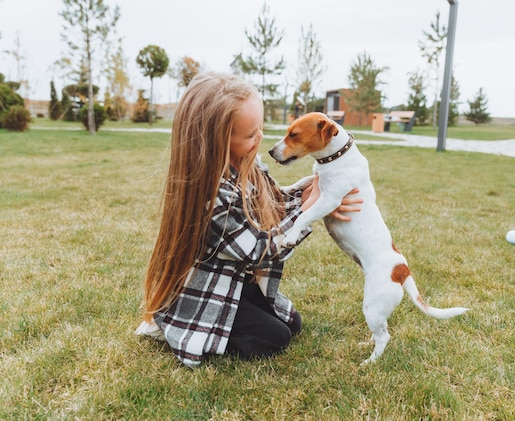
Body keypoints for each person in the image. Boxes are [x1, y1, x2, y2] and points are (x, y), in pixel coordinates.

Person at [135, 72, 361, 368]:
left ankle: (233, 312)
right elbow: (259, 250)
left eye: (260, 128)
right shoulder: (211, 193)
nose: (261, 138)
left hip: (236, 279)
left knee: (293, 324)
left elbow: (274, 201)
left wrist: (313, 194)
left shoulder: (247, 161)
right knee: (274, 339)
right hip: (205, 290)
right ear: (217, 141)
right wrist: (309, 210)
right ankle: (176, 323)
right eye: (251, 134)